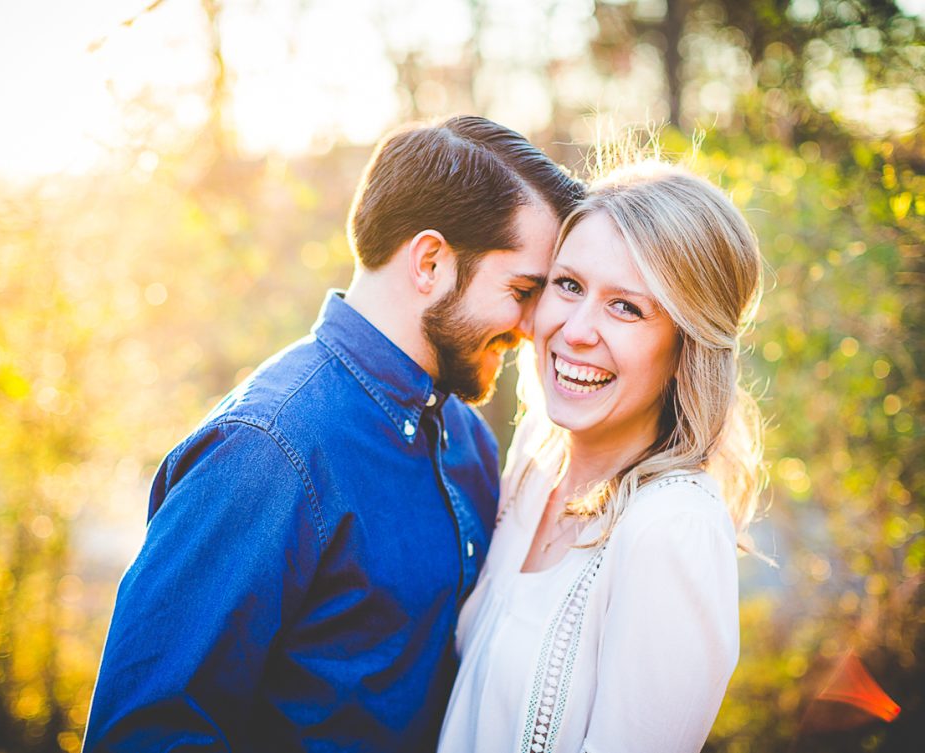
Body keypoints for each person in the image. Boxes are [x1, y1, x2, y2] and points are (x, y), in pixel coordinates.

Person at [84, 116, 585, 750]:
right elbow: (146, 733)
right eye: (521, 290)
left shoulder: (467, 440)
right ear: (430, 262)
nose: (534, 325)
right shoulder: (265, 451)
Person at [438, 162, 763, 752]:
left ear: (686, 345)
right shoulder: (537, 454)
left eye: (627, 308)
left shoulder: (671, 529)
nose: (576, 330)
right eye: (568, 285)